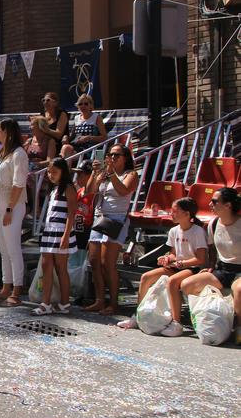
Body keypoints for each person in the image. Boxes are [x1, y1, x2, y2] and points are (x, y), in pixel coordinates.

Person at [118, 197, 208, 335]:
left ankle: (177, 323)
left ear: (187, 214)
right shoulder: (174, 231)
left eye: (175, 211)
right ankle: (137, 316)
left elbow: (200, 259)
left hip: (192, 269)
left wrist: (182, 263)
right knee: (146, 277)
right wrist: (166, 258)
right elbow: (174, 253)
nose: (171, 214)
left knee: (172, 282)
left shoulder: (198, 231)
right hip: (176, 266)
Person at [179, 187, 241, 341]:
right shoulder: (213, 224)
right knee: (187, 284)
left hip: (240, 271)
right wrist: (211, 265)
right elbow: (212, 248)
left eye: (214, 201)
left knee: (239, 290)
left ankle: (238, 329)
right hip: (223, 269)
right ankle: (211, 317)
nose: (210, 204)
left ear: (228, 205)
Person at [85, 143, 139, 315]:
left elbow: (123, 191)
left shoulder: (130, 174)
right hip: (100, 217)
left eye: (117, 155)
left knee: (107, 262)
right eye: (110, 154)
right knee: (94, 261)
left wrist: (111, 174)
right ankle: (99, 300)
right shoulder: (104, 173)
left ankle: (113, 303)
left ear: (125, 158)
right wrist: (95, 174)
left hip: (117, 218)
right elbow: (89, 191)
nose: (113, 158)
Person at [0, 118, 28, 305]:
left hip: (13, 206)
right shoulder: (1, 152)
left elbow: (19, 183)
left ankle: (17, 290)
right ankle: (5, 286)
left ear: (7, 132)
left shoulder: (19, 154)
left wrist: (10, 207)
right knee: (2, 249)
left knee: (13, 248)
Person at [33, 157, 78, 315]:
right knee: (47, 265)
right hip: (50, 229)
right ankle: (46, 303)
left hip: (61, 231)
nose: (51, 175)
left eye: (55, 172)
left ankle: (65, 303)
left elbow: (71, 212)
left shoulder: (68, 188)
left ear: (63, 172)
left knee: (61, 268)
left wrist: (66, 235)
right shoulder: (53, 189)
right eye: (49, 172)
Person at [61, 93, 106, 158]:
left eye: (86, 104)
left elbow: (104, 137)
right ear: (78, 107)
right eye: (80, 104)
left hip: (93, 149)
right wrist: (65, 137)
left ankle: (63, 166)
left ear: (91, 105)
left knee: (66, 149)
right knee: (66, 148)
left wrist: (88, 138)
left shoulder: (97, 117)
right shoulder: (76, 118)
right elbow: (72, 137)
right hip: (78, 148)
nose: (83, 106)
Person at [74, 160, 95, 250]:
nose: (77, 178)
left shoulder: (94, 194)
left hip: (86, 230)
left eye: (80, 175)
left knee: (82, 259)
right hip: (76, 228)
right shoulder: (79, 191)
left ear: (89, 176)